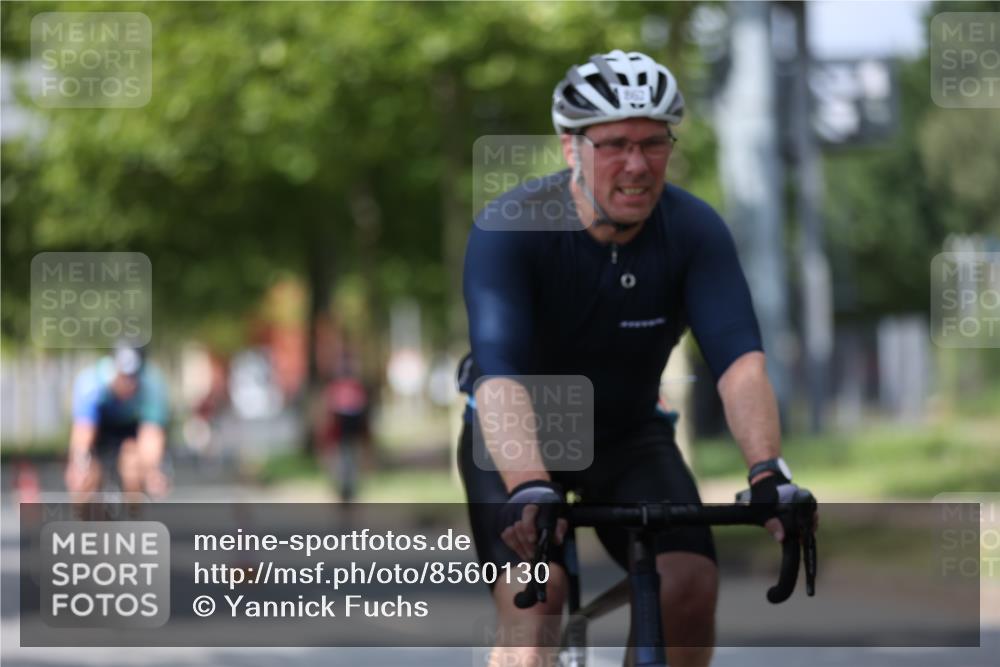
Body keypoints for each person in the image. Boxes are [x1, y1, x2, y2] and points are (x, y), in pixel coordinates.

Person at [457, 50, 816, 667]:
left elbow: (739, 362)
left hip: (629, 435)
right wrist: (531, 487)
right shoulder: (509, 230)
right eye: (615, 144)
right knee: (536, 598)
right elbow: (500, 376)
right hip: (519, 437)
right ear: (572, 148)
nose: (636, 165)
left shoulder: (695, 230)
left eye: (654, 144)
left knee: (689, 584)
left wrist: (767, 472)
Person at [65, 343, 171, 504]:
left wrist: (152, 470)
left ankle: (134, 518)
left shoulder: (152, 384)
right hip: (100, 426)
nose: (127, 382)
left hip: (131, 430)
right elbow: (83, 433)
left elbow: (151, 433)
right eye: (123, 375)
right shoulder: (91, 383)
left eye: (132, 377)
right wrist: (80, 464)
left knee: (135, 469)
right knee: (84, 479)